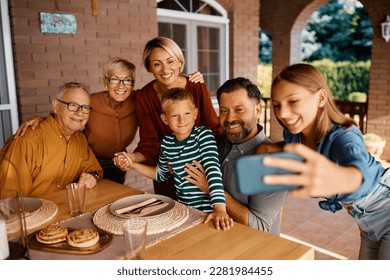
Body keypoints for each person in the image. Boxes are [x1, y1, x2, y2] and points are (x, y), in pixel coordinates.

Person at [260, 63, 390, 259]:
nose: (283, 113)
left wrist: (344, 178)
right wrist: (268, 148)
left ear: (321, 98)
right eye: (277, 105)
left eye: (293, 101)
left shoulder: (344, 134)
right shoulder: (295, 135)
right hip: (366, 222)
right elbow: (294, 149)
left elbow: (358, 168)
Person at [14, 57, 203, 184]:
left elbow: (164, 91)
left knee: (111, 201)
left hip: (119, 162)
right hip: (88, 162)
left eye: (127, 80)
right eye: (114, 79)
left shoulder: (139, 100)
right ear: (106, 82)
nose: (121, 86)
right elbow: (65, 113)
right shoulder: (91, 100)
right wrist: (37, 118)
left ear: (133, 84)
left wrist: (191, 79)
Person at [114, 36, 223, 199]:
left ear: (180, 62)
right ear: (149, 67)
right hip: (167, 166)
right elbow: (149, 143)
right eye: (157, 64)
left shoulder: (196, 85)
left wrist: (211, 167)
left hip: (200, 169)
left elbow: (214, 129)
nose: (165, 69)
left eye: (170, 61)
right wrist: (131, 158)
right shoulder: (144, 97)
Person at [117, 88, 233, 230]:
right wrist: (132, 164)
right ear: (165, 119)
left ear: (195, 113)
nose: (182, 120)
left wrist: (220, 209)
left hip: (211, 212)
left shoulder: (203, 135)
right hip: (184, 212)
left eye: (187, 113)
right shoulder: (167, 143)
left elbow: (213, 171)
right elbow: (160, 175)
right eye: (174, 116)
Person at [184, 77, 288, 234]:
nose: (230, 118)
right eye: (224, 110)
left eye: (239, 109)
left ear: (257, 110)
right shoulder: (216, 143)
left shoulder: (273, 162)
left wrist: (211, 188)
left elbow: (259, 226)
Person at [0, 82, 102, 197]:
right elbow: (9, 198)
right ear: (56, 106)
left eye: (85, 107)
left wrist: (93, 176)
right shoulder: (28, 140)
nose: (79, 113)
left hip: (68, 209)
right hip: (33, 213)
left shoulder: (80, 140)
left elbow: (94, 170)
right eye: (73, 105)